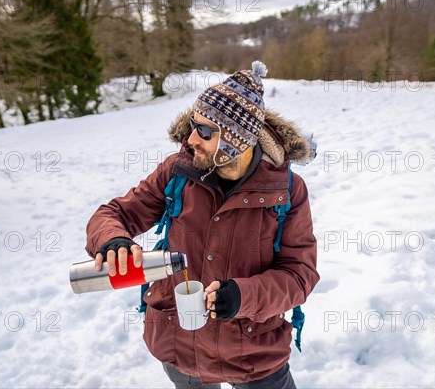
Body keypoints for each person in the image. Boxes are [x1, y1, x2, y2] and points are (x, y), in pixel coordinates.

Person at [85, 61, 319, 388]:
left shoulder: (287, 191)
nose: (191, 138)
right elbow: (114, 214)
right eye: (194, 124)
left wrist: (243, 296)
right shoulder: (178, 171)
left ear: (235, 143)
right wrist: (112, 240)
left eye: (205, 132)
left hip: (253, 355)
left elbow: (299, 275)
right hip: (180, 347)